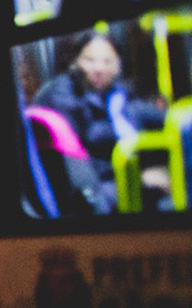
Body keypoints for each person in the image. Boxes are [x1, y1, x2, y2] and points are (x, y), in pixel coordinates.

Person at [32, 32, 166, 211]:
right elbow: (81, 165)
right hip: (93, 192)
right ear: (75, 62)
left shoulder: (118, 93)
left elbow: (146, 115)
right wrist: (140, 180)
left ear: (119, 64)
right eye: (90, 60)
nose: (99, 68)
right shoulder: (61, 96)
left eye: (108, 61)